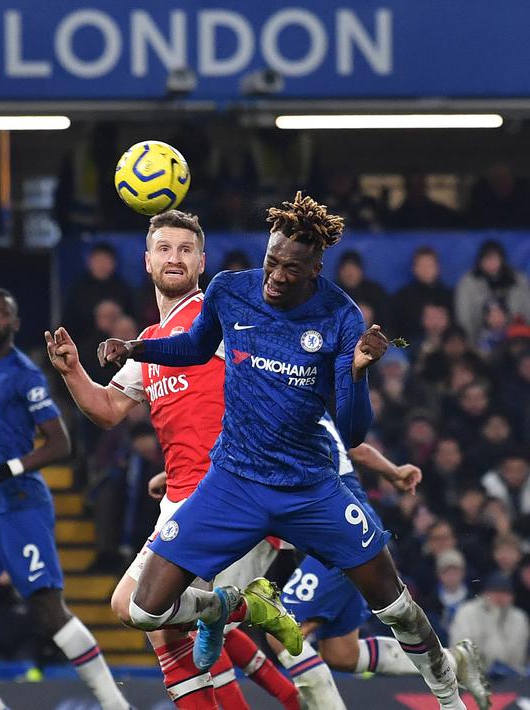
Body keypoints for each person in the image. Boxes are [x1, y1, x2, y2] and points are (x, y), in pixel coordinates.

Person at [96, 192, 466, 708]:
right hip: (233, 483)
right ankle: (231, 606)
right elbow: (195, 347)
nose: (275, 276)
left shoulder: (339, 316)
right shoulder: (230, 290)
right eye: (271, 261)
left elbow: (352, 431)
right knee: (143, 609)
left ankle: (450, 695)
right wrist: (137, 348)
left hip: (309, 488)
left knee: (395, 604)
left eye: (291, 269)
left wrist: (358, 372)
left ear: (315, 270)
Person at [46, 210, 298, 709]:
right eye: (164, 249)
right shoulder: (150, 340)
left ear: (202, 261)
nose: (175, 258)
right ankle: (237, 610)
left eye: (186, 250)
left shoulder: (219, 319)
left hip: (228, 496)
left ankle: (246, 613)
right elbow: (108, 409)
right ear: (147, 261)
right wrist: (73, 372)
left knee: (148, 610)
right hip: (181, 498)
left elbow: (275, 384)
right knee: (151, 618)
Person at [0, 290, 130, 710]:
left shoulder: (24, 374)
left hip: (21, 507)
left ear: (15, 325)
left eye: (2, 314)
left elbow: (60, 443)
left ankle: (116, 705)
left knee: (49, 613)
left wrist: (8, 469)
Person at [271, 419, 489, 709]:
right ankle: (454, 661)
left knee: (282, 629)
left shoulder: (286, 412)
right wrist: (394, 471)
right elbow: (357, 450)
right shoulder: (312, 409)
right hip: (350, 525)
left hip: (339, 532)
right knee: (342, 653)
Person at [454, 240, 530, 345]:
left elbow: (527, 311)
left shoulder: (518, 280)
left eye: (494, 258)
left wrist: (507, 318)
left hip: (515, 338)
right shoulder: (468, 282)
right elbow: (464, 318)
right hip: (479, 338)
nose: (490, 263)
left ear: (502, 259)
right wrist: (469, 345)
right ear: (480, 261)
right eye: (486, 259)